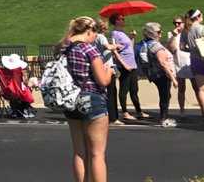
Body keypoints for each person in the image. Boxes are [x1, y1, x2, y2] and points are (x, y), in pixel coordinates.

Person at [60, 16, 111, 182]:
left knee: (79, 152)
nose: (95, 37)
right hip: (91, 97)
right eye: (94, 34)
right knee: (97, 153)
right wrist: (109, 71)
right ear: (89, 31)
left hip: (70, 99)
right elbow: (103, 80)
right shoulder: (89, 49)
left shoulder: (62, 49)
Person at [139, 22, 178, 127]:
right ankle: (163, 119)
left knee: (165, 95)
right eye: (159, 32)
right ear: (152, 33)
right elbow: (163, 63)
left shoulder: (145, 43)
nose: (161, 33)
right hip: (162, 74)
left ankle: (163, 117)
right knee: (165, 96)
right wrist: (173, 79)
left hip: (154, 74)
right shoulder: (156, 46)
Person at [110, 14, 147, 121]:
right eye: (121, 19)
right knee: (124, 89)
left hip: (132, 64)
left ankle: (139, 111)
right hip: (125, 66)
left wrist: (132, 38)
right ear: (116, 21)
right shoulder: (115, 34)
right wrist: (124, 64)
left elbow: (130, 47)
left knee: (134, 89)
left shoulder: (122, 33)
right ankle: (125, 112)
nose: (124, 20)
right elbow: (115, 51)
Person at [94, 20, 119, 124]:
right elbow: (107, 47)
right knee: (111, 92)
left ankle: (106, 115)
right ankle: (113, 117)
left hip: (103, 66)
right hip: (107, 67)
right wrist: (116, 46)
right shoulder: (101, 37)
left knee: (107, 92)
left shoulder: (96, 37)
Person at [167, 15, 192, 115]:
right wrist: (173, 36)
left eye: (179, 23)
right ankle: (182, 110)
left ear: (184, 23)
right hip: (179, 64)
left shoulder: (189, 33)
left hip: (191, 63)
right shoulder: (171, 34)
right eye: (175, 23)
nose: (177, 25)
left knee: (197, 88)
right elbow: (171, 49)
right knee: (181, 88)